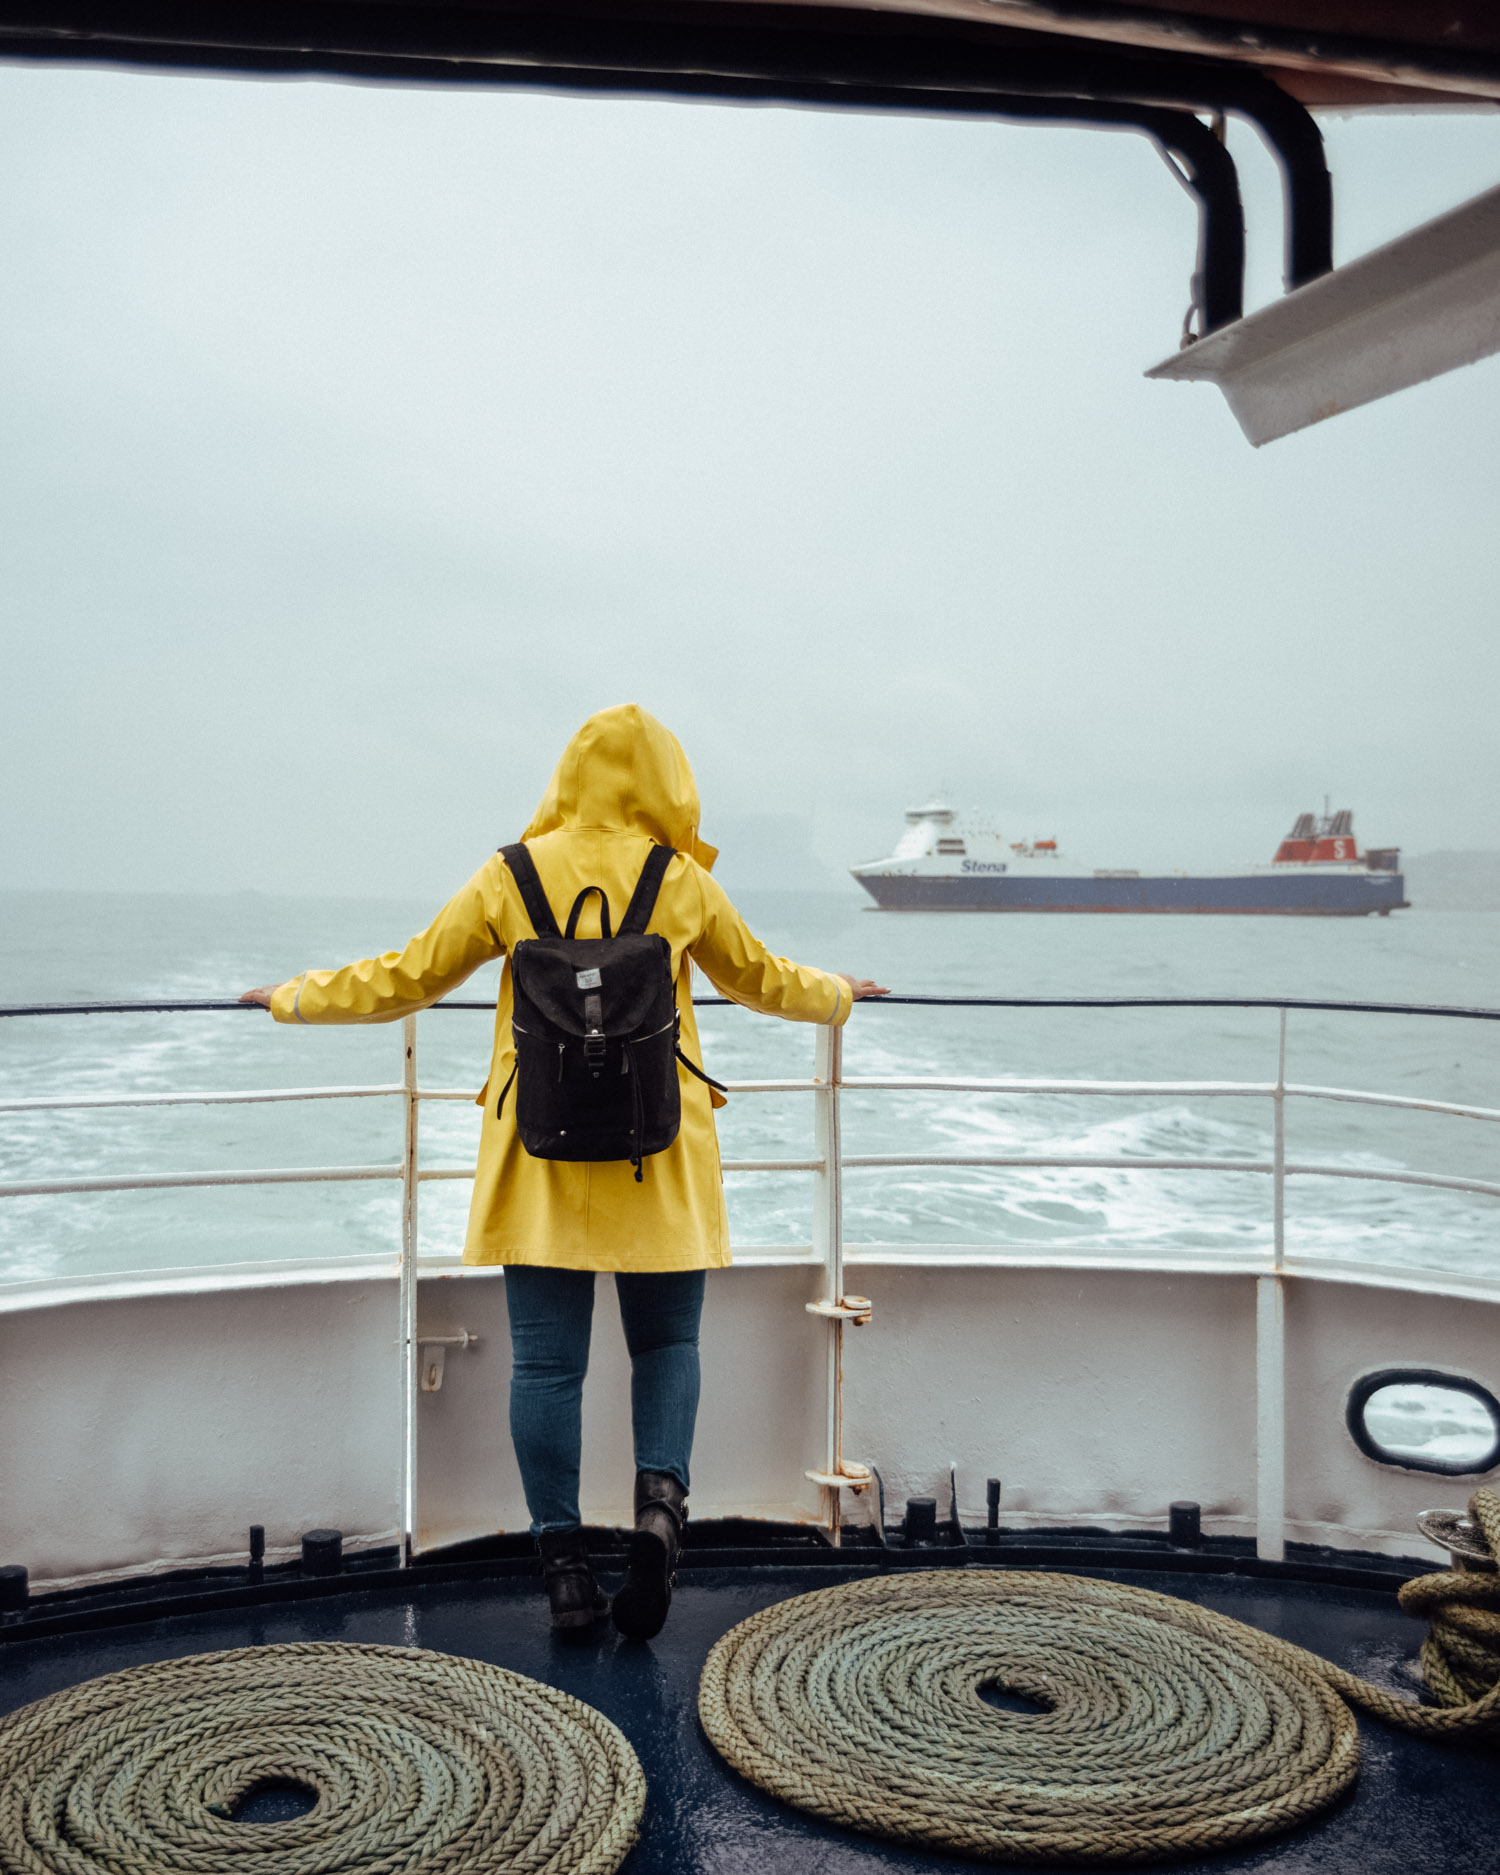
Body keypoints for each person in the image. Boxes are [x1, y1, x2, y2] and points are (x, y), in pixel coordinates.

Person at [242, 703, 886, 1636]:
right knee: (668, 1346)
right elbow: (758, 976)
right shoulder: (677, 882)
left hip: (538, 1155)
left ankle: (565, 1569)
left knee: (547, 1367)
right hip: (655, 1155)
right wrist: (840, 994)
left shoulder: (510, 874)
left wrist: (290, 998)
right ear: (666, 782)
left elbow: (409, 976)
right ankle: (660, 1517)